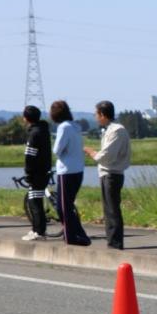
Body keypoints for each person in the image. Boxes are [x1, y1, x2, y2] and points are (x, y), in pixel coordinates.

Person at [83, 100, 130, 250]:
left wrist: (91, 152)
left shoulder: (117, 130)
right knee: (109, 209)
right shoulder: (110, 129)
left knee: (112, 209)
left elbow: (106, 156)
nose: (96, 117)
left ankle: (115, 243)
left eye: (96, 114)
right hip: (107, 173)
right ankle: (112, 241)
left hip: (112, 174)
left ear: (103, 114)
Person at [49, 100, 92, 247]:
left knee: (63, 207)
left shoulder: (63, 127)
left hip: (66, 171)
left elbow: (56, 150)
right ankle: (80, 234)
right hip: (78, 170)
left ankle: (71, 236)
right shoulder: (75, 126)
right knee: (68, 205)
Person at [20, 106, 52, 241]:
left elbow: (30, 155)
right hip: (44, 170)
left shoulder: (34, 133)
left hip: (36, 173)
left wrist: (28, 173)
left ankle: (38, 231)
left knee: (35, 203)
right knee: (37, 201)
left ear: (26, 118)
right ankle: (39, 229)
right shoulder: (44, 130)